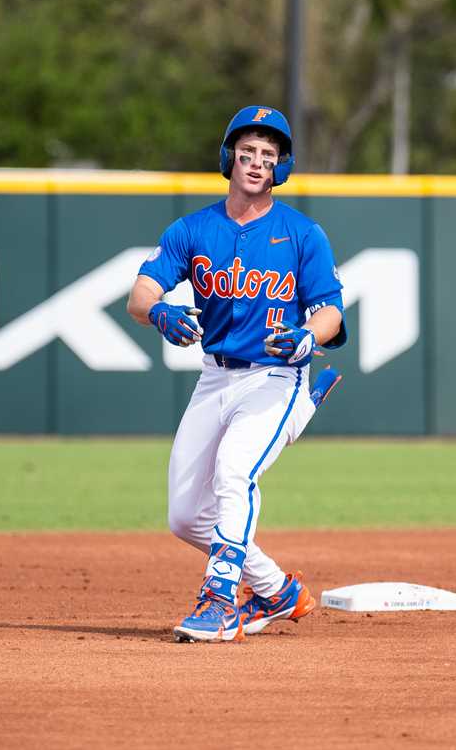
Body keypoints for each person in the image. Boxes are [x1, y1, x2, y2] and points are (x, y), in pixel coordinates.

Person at [127, 105, 346, 642]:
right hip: (214, 378)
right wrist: (158, 311)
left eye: (267, 156)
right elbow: (140, 294)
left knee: (233, 474)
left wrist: (307, 335)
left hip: (277, 379)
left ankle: (219, 599)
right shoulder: (193, 229)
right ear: (229, 158)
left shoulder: (301, 233)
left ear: (280, 168)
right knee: (183, 516)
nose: (255, 162)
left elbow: (332, 312)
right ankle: (276, 591)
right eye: (247, 152)